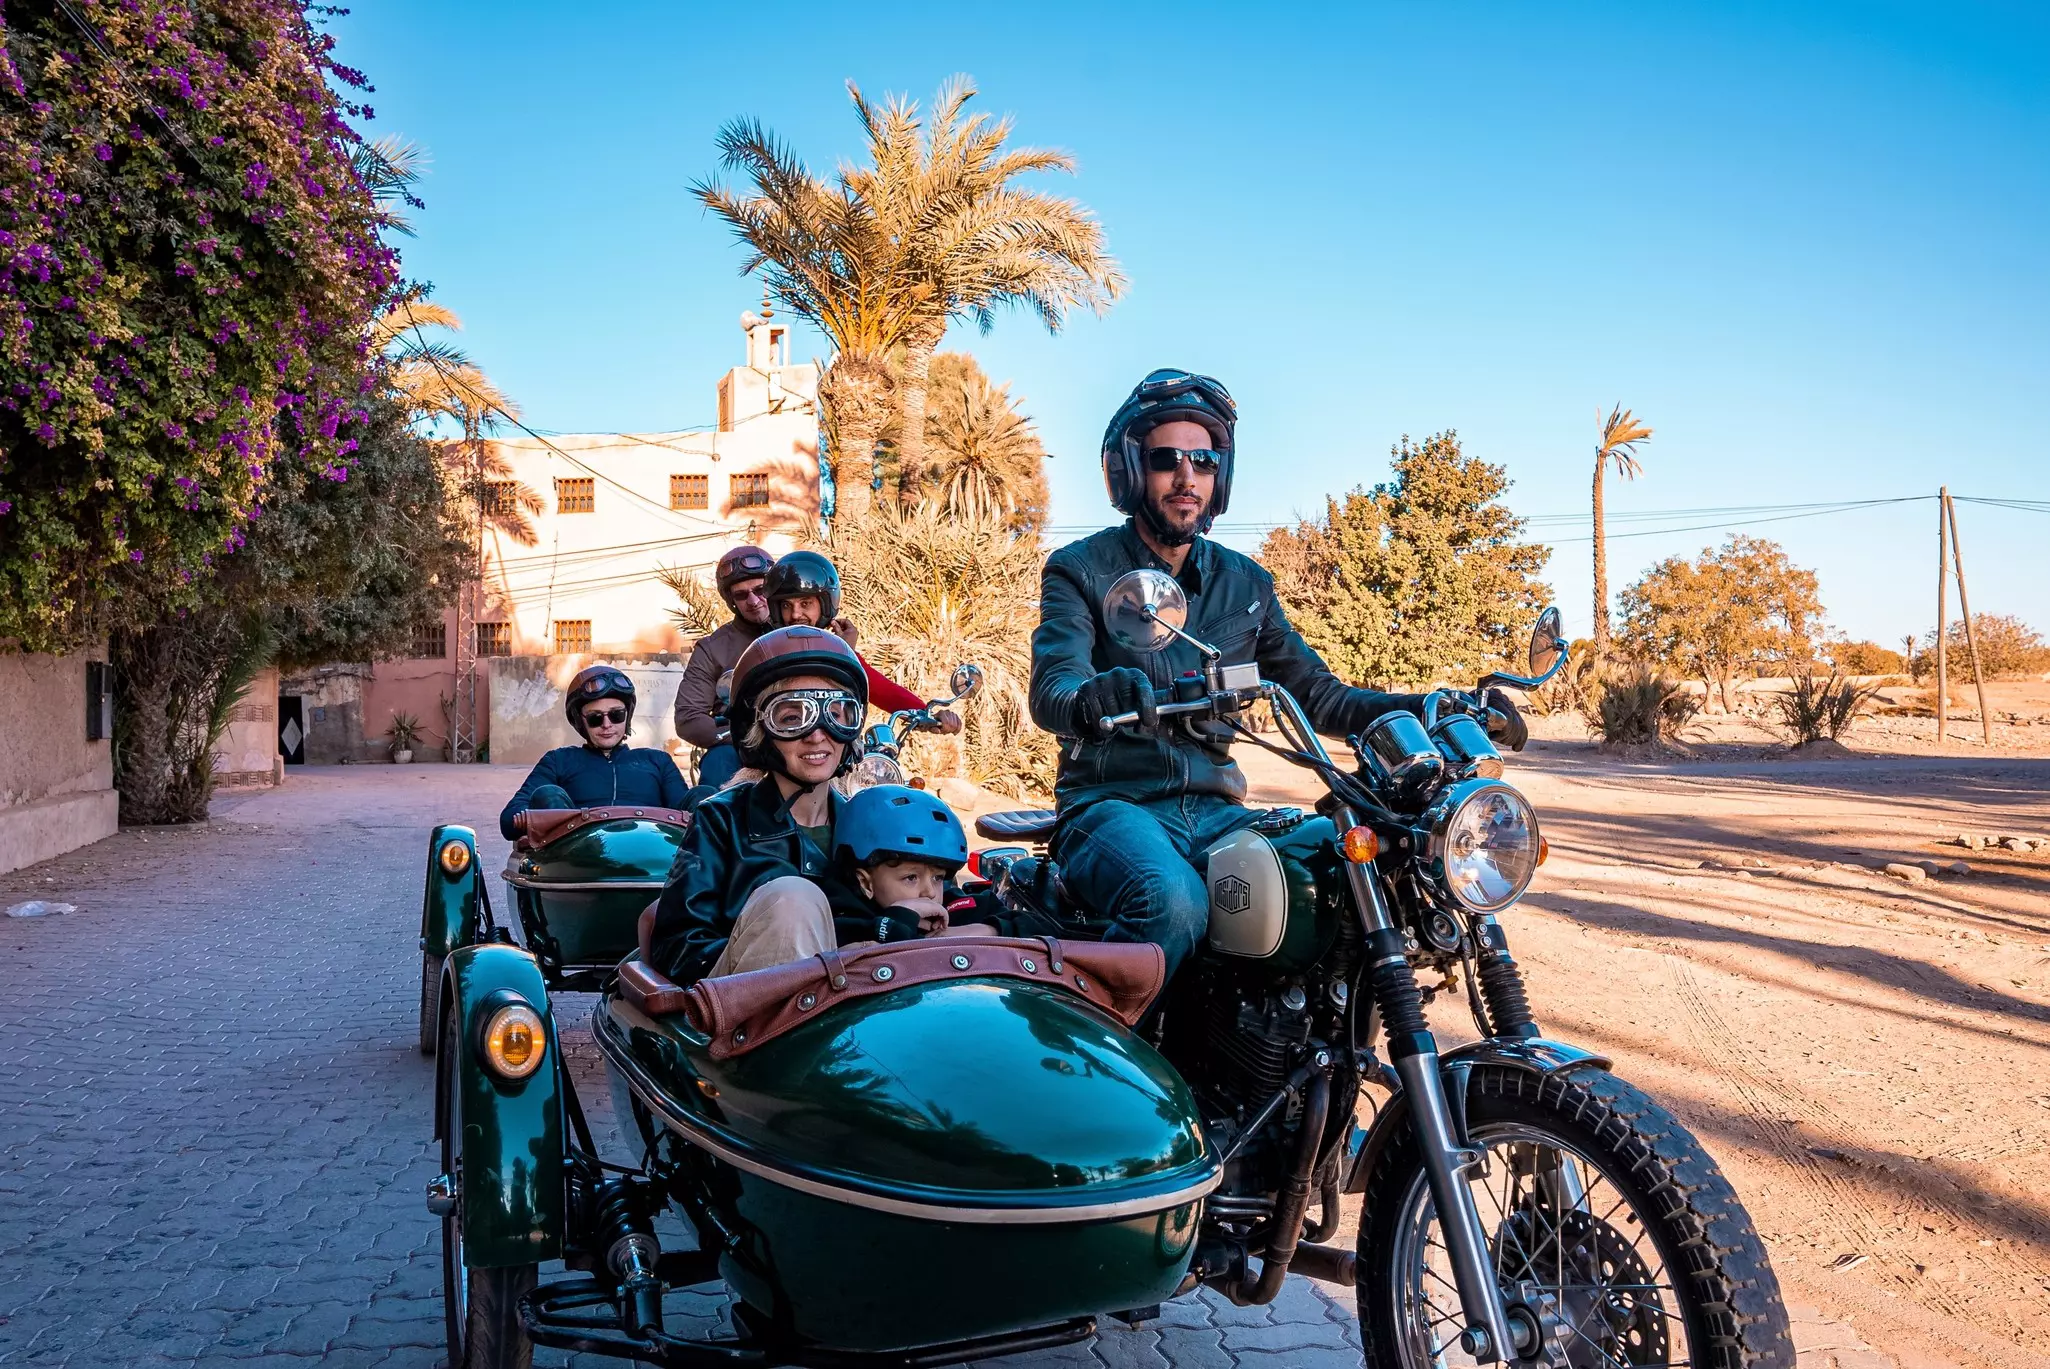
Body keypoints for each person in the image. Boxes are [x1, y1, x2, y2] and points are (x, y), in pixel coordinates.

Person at [1027, 369, 1527, 979]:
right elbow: (1054, 685)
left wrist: (1438, 705)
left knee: (1335, 874)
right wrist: (1090, 698)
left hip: (1216, 808)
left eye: (1205, 460)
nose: (1188, 478)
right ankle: (1126, 1070)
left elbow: (1317, 693)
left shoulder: (1246, 585)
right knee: (1172, 902)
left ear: (1222, 474)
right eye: (1167, 459)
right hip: (1112, 805)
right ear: (1130, 470)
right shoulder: (1082, 569)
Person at [648, 626, 878, 983]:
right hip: (744, 1017)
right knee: (792, 898)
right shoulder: (721, 819)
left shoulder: (873, 823)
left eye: (836, 712)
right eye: (791, 718)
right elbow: (677, 949)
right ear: (757, 732)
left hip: (863, 1018)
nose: (817, 734)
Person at [763, 550, 963, 734]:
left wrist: (925, 713)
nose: (796, 614)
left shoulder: (838, 650)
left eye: (805, 603)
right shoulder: (767, 652)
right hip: (781, 751)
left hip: (836, 747)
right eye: (787, 605)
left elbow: (879, 688)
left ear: (824, 605)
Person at [501, 665, 690, 840]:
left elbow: (688, 813)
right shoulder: (559, 760)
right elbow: (509, 819)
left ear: (627, 715)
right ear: (580, 721)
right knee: (547, 793)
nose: (607, 725)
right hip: (577, 860)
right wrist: (546, 811)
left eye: (616, 715)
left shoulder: (657, 761)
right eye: (595, 718)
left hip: (651, 855)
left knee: (703, 797)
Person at [833, 784, 999, 942]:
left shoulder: (947, 907)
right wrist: (901, 919)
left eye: (938, 878)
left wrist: (986, 931)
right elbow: (847, 939)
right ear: (865, 883)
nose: (930, 893)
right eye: (911, 877)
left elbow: (1022, 922)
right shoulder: (841, 916)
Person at [674, 544, 776, 790]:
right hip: (737, 749)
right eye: (741, 595)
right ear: (731, 601)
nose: (753, 601)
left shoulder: (801, 630)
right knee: (717, 768)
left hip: (802, 738)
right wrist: (743, 736)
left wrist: (847, 649)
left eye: (760, 589)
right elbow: (688, 717)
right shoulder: (712, 649)